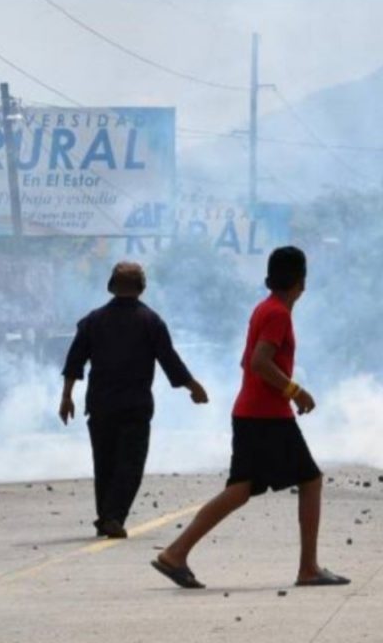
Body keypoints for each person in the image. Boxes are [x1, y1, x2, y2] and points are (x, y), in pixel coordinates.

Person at [151, 246, 350, 590]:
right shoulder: (277, 315)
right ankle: (308, 568)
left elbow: (247, 363)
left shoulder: (264, 308)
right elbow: (258, 362)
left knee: (240, 489)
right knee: (311, 480)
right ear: (300, 280)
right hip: (267, 415)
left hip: (250, 412)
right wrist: (294, 390)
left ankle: (175, 553)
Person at [60, 261, 209, 539]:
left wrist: (66, 397)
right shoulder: (150, 321)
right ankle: (113, 517)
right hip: (134, 406)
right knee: (130, 463)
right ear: (142, 287)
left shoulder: (93, 320)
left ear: (111, 286)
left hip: (101, 405)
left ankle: (106, 517)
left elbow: (74, 362)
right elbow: (169, 361)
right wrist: (193, 386)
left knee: (104, 462)